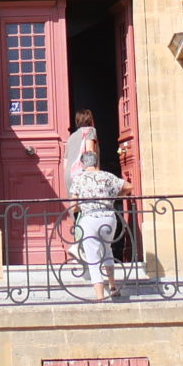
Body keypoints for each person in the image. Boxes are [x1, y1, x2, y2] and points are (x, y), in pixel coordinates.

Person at [63, 113, 128, 300]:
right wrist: (96, 174)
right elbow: (89, 152)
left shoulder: (71, 137)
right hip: (85, 173)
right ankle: (80, 248)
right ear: (90, 119)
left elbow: (66, 164)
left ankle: (78, 244)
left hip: (71, 176)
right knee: (102, 240)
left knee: (80, 211)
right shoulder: (90, 131)